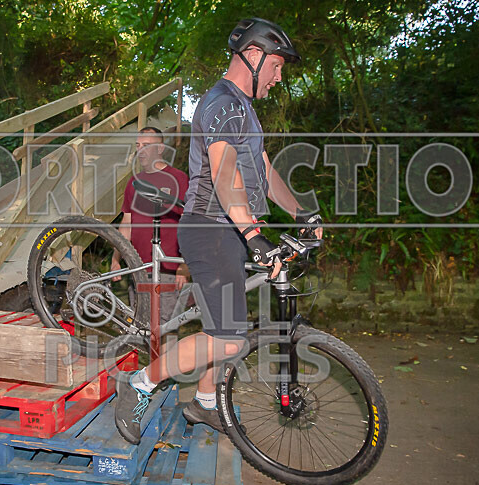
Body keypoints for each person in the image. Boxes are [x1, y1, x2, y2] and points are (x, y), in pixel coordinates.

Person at [114, 18, 323, 444]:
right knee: (229, 341)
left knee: (225, 331)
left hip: (227, 230)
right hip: (210, 229)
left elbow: (261, 170)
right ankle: (137, 384)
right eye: (278, 66)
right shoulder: (222, 104)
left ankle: (205, 402)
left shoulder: (243, 109)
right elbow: (224, 173)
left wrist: (302, 213)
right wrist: (252, 234)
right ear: (253, 55)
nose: (279, 77)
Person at [111, 127, 189, 326]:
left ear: (160, 148)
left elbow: (190, 225)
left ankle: (167, 358)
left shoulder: (178, 179)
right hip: (138, 267)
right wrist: (116, 258)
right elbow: (126, 224)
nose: (141, 151)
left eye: (146, 146)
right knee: (139, 326)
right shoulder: (134, 182)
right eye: (138, 146)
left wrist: (184, 267)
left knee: (166, 328)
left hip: (167, 269)